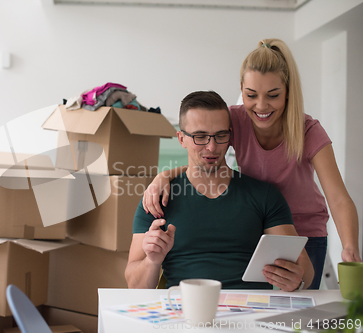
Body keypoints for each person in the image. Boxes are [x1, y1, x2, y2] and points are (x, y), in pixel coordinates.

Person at [142, 39, 361, 289]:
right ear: (241, 90)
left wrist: (350, 246)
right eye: (251, 95)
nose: (261, 105)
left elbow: (339, 198)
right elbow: (206, 157)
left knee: (300, 311)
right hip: (260, 224)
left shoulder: (308, 131)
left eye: (273, 95)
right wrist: (164, 176)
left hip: (303, 232)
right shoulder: (236, 120)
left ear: (288, 92)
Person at [125, 91, 314, 291]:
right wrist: (152, 262)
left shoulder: (264, 196)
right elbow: (134, 286)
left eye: (220, 135)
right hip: (185, 312)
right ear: (181, 139)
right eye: (200, 136)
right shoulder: (157, 199)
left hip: (249, 313)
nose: (212, 146)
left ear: (230, 135)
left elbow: (305, 269)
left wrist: (297, 279)